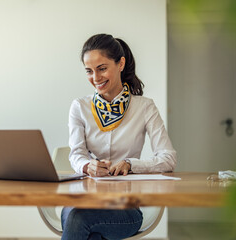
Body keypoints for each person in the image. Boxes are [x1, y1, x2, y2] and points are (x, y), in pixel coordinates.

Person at [61, 34, 177, 240]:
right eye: (89, 71)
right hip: (84, 199)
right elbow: (76, 154)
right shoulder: (79, 107)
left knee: (78, 220)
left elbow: (168, 158)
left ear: (121, 63)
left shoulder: (145, 107)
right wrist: (88, 166)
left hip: (124, 207)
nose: (95, 78)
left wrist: (130, 164)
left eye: (102, 68)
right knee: (86, 227)